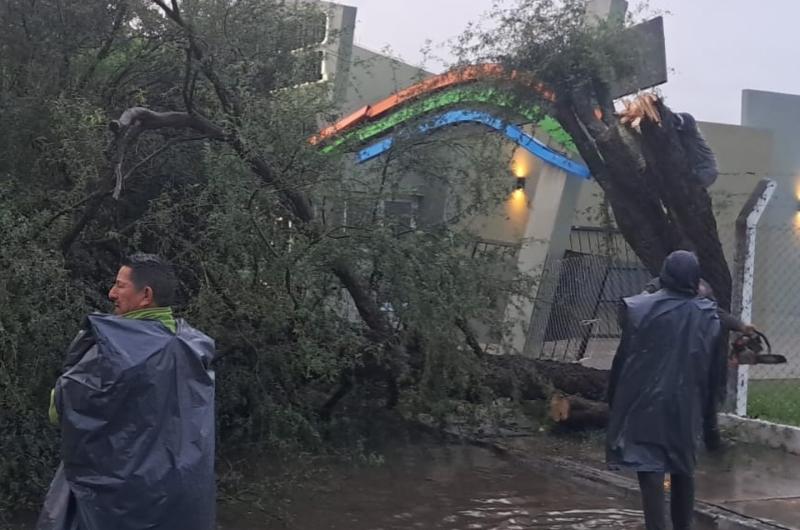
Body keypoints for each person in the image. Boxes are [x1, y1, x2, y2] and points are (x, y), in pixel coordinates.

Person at [37, 254, 216, 530]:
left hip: (114, 499)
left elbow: (59, 410)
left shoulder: (113, 349)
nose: (111, 293)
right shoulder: (194, 347)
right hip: (180, 497)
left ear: (146, 295)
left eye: (120, 285)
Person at [607, 251, 721, 530]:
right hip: (685, 407)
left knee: (650, 473)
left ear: (665, 274)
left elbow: (622, 361)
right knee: (684, 470)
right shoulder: (709, 316)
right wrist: (710, 425)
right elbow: (713, 377)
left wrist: (613, 402)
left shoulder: (638, 309)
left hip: (644, 405)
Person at [643, 275, 754, 450]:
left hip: (701, 350)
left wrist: (740, 326)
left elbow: (715, 311)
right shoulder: (658, 286)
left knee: (709, 395)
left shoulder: (701, 285)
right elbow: (641, 310)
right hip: (670, 353)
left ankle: (711, 440)